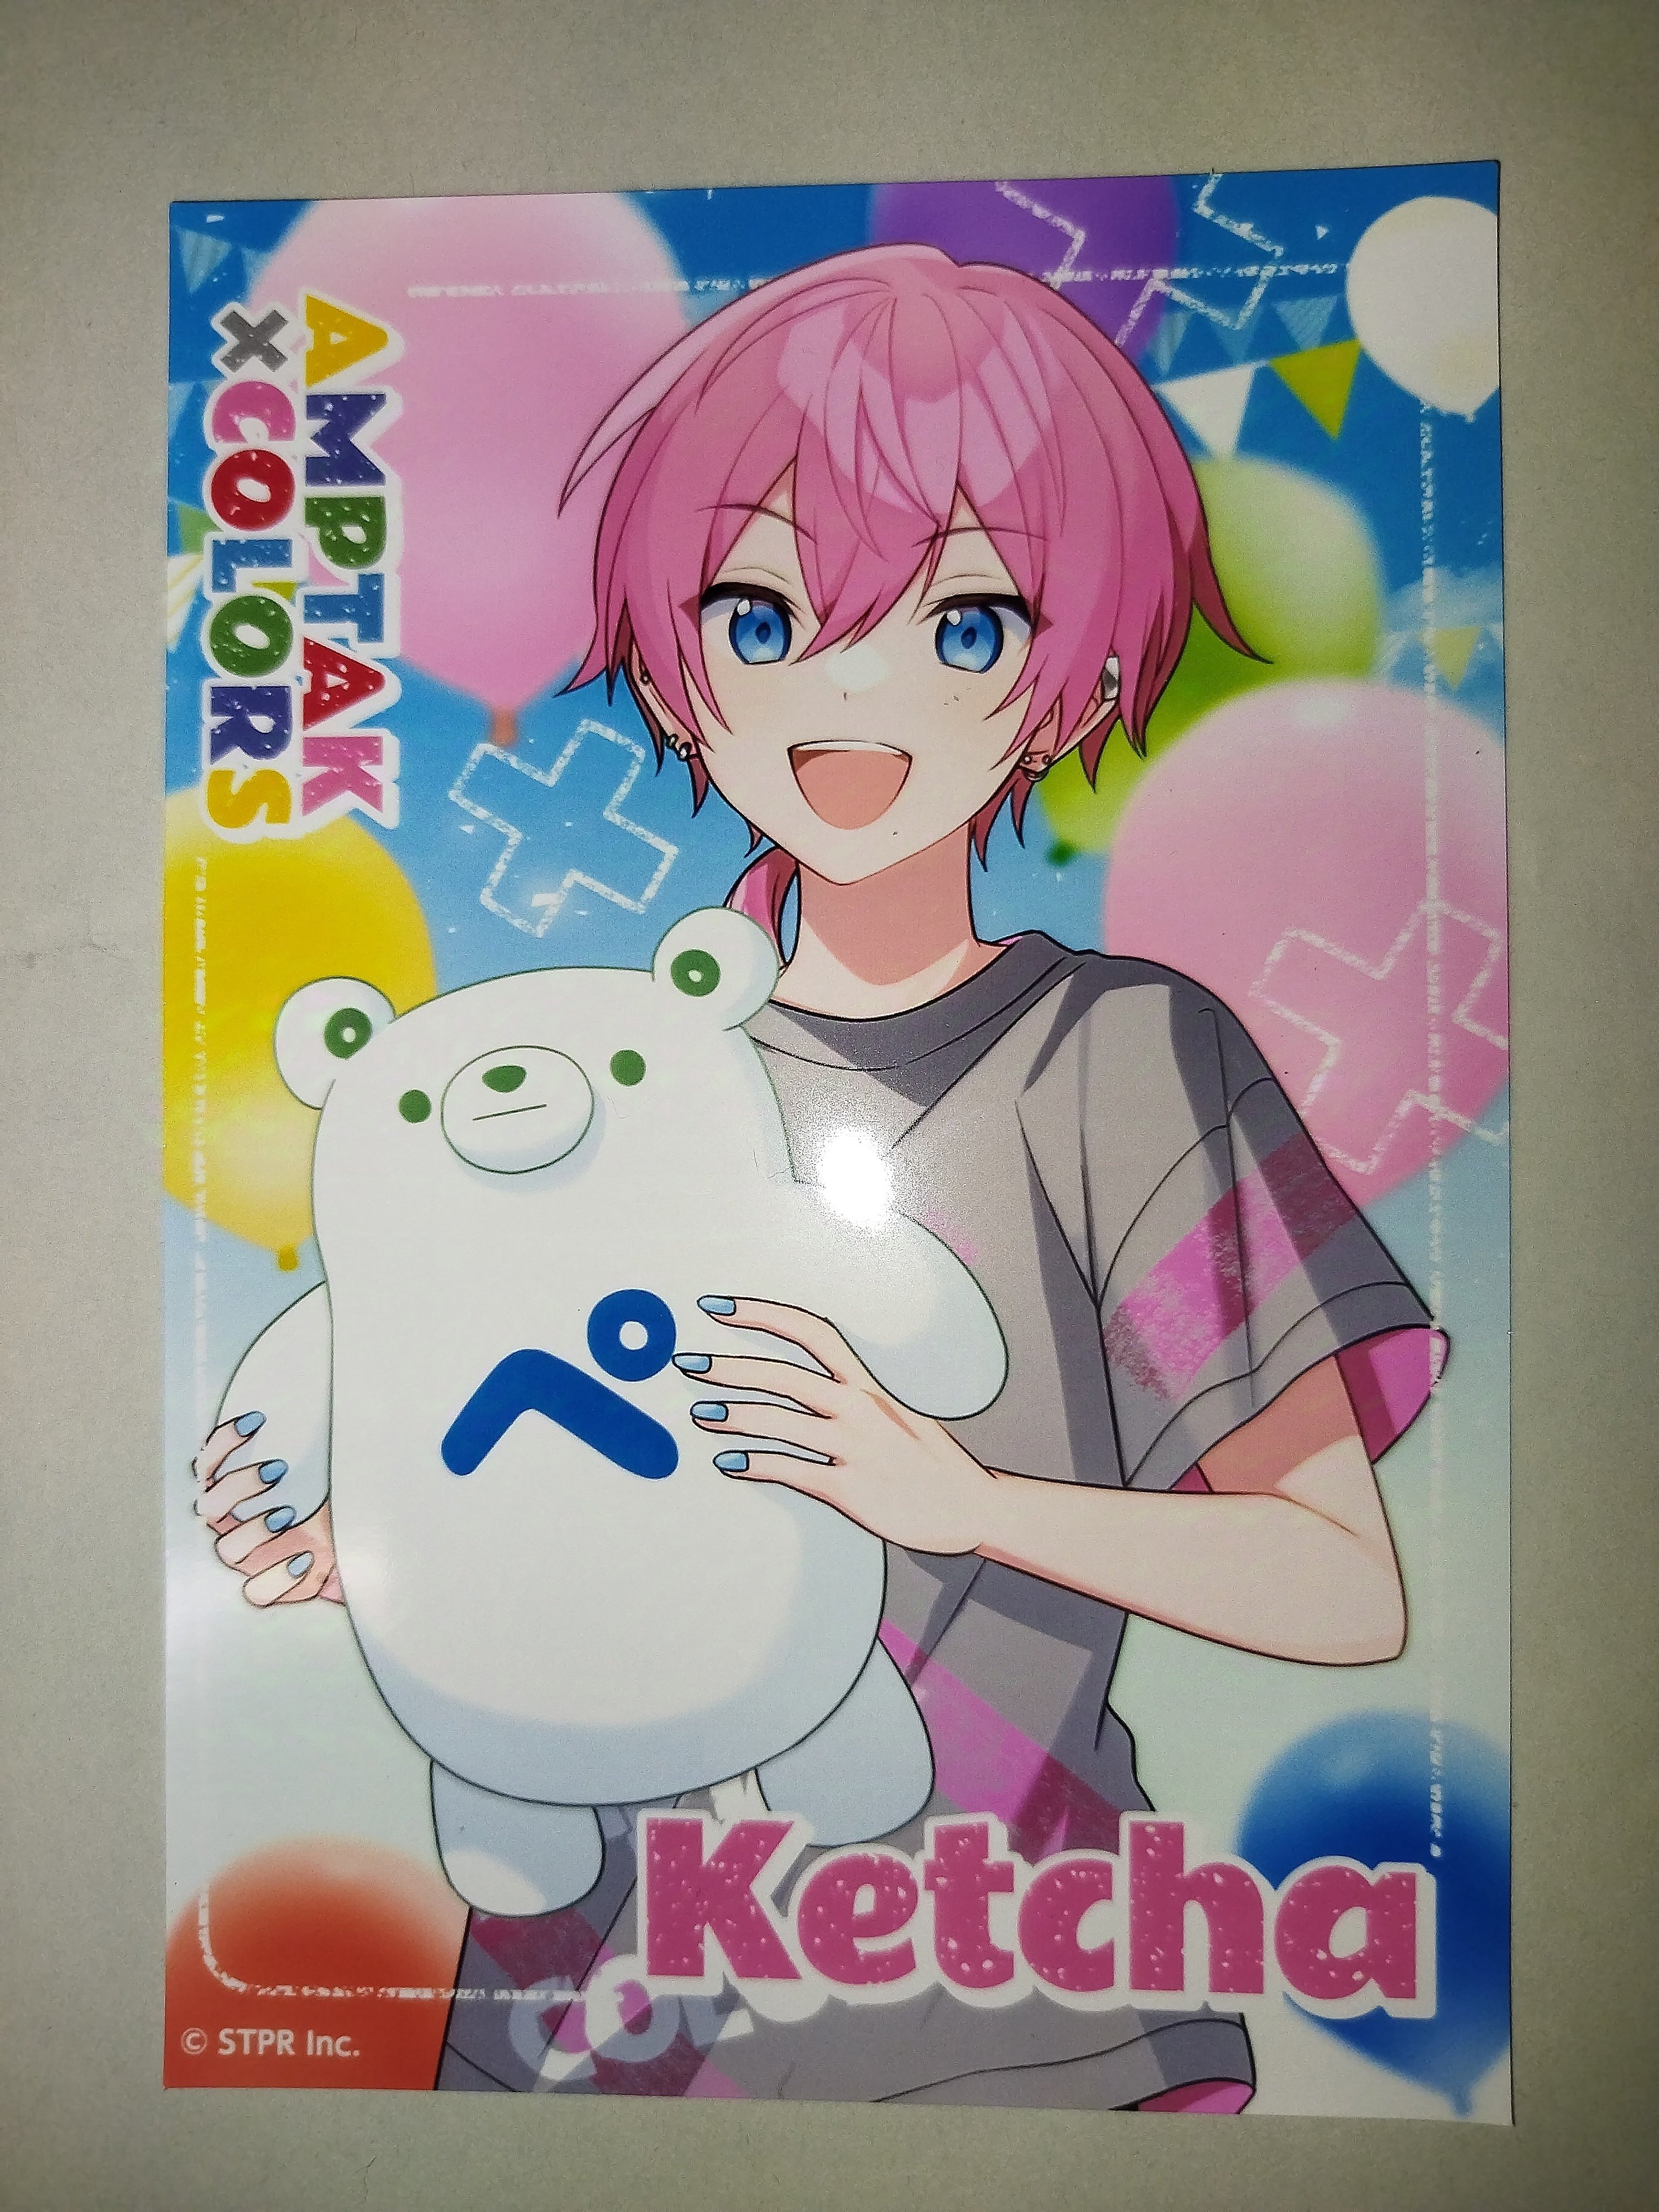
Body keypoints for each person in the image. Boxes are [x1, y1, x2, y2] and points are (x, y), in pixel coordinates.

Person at [196, 243, 1439, 2109]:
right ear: (677, 658)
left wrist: (961, 1497)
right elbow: (492, 1449)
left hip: (1024, 2024)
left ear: (1071, 676)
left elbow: (1339, 1585)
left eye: (967, 625)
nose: (851, 694)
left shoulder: (1122, 1061)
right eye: (763, 615)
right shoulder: (601, 1083)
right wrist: (366, 1554)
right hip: (575, 2039)